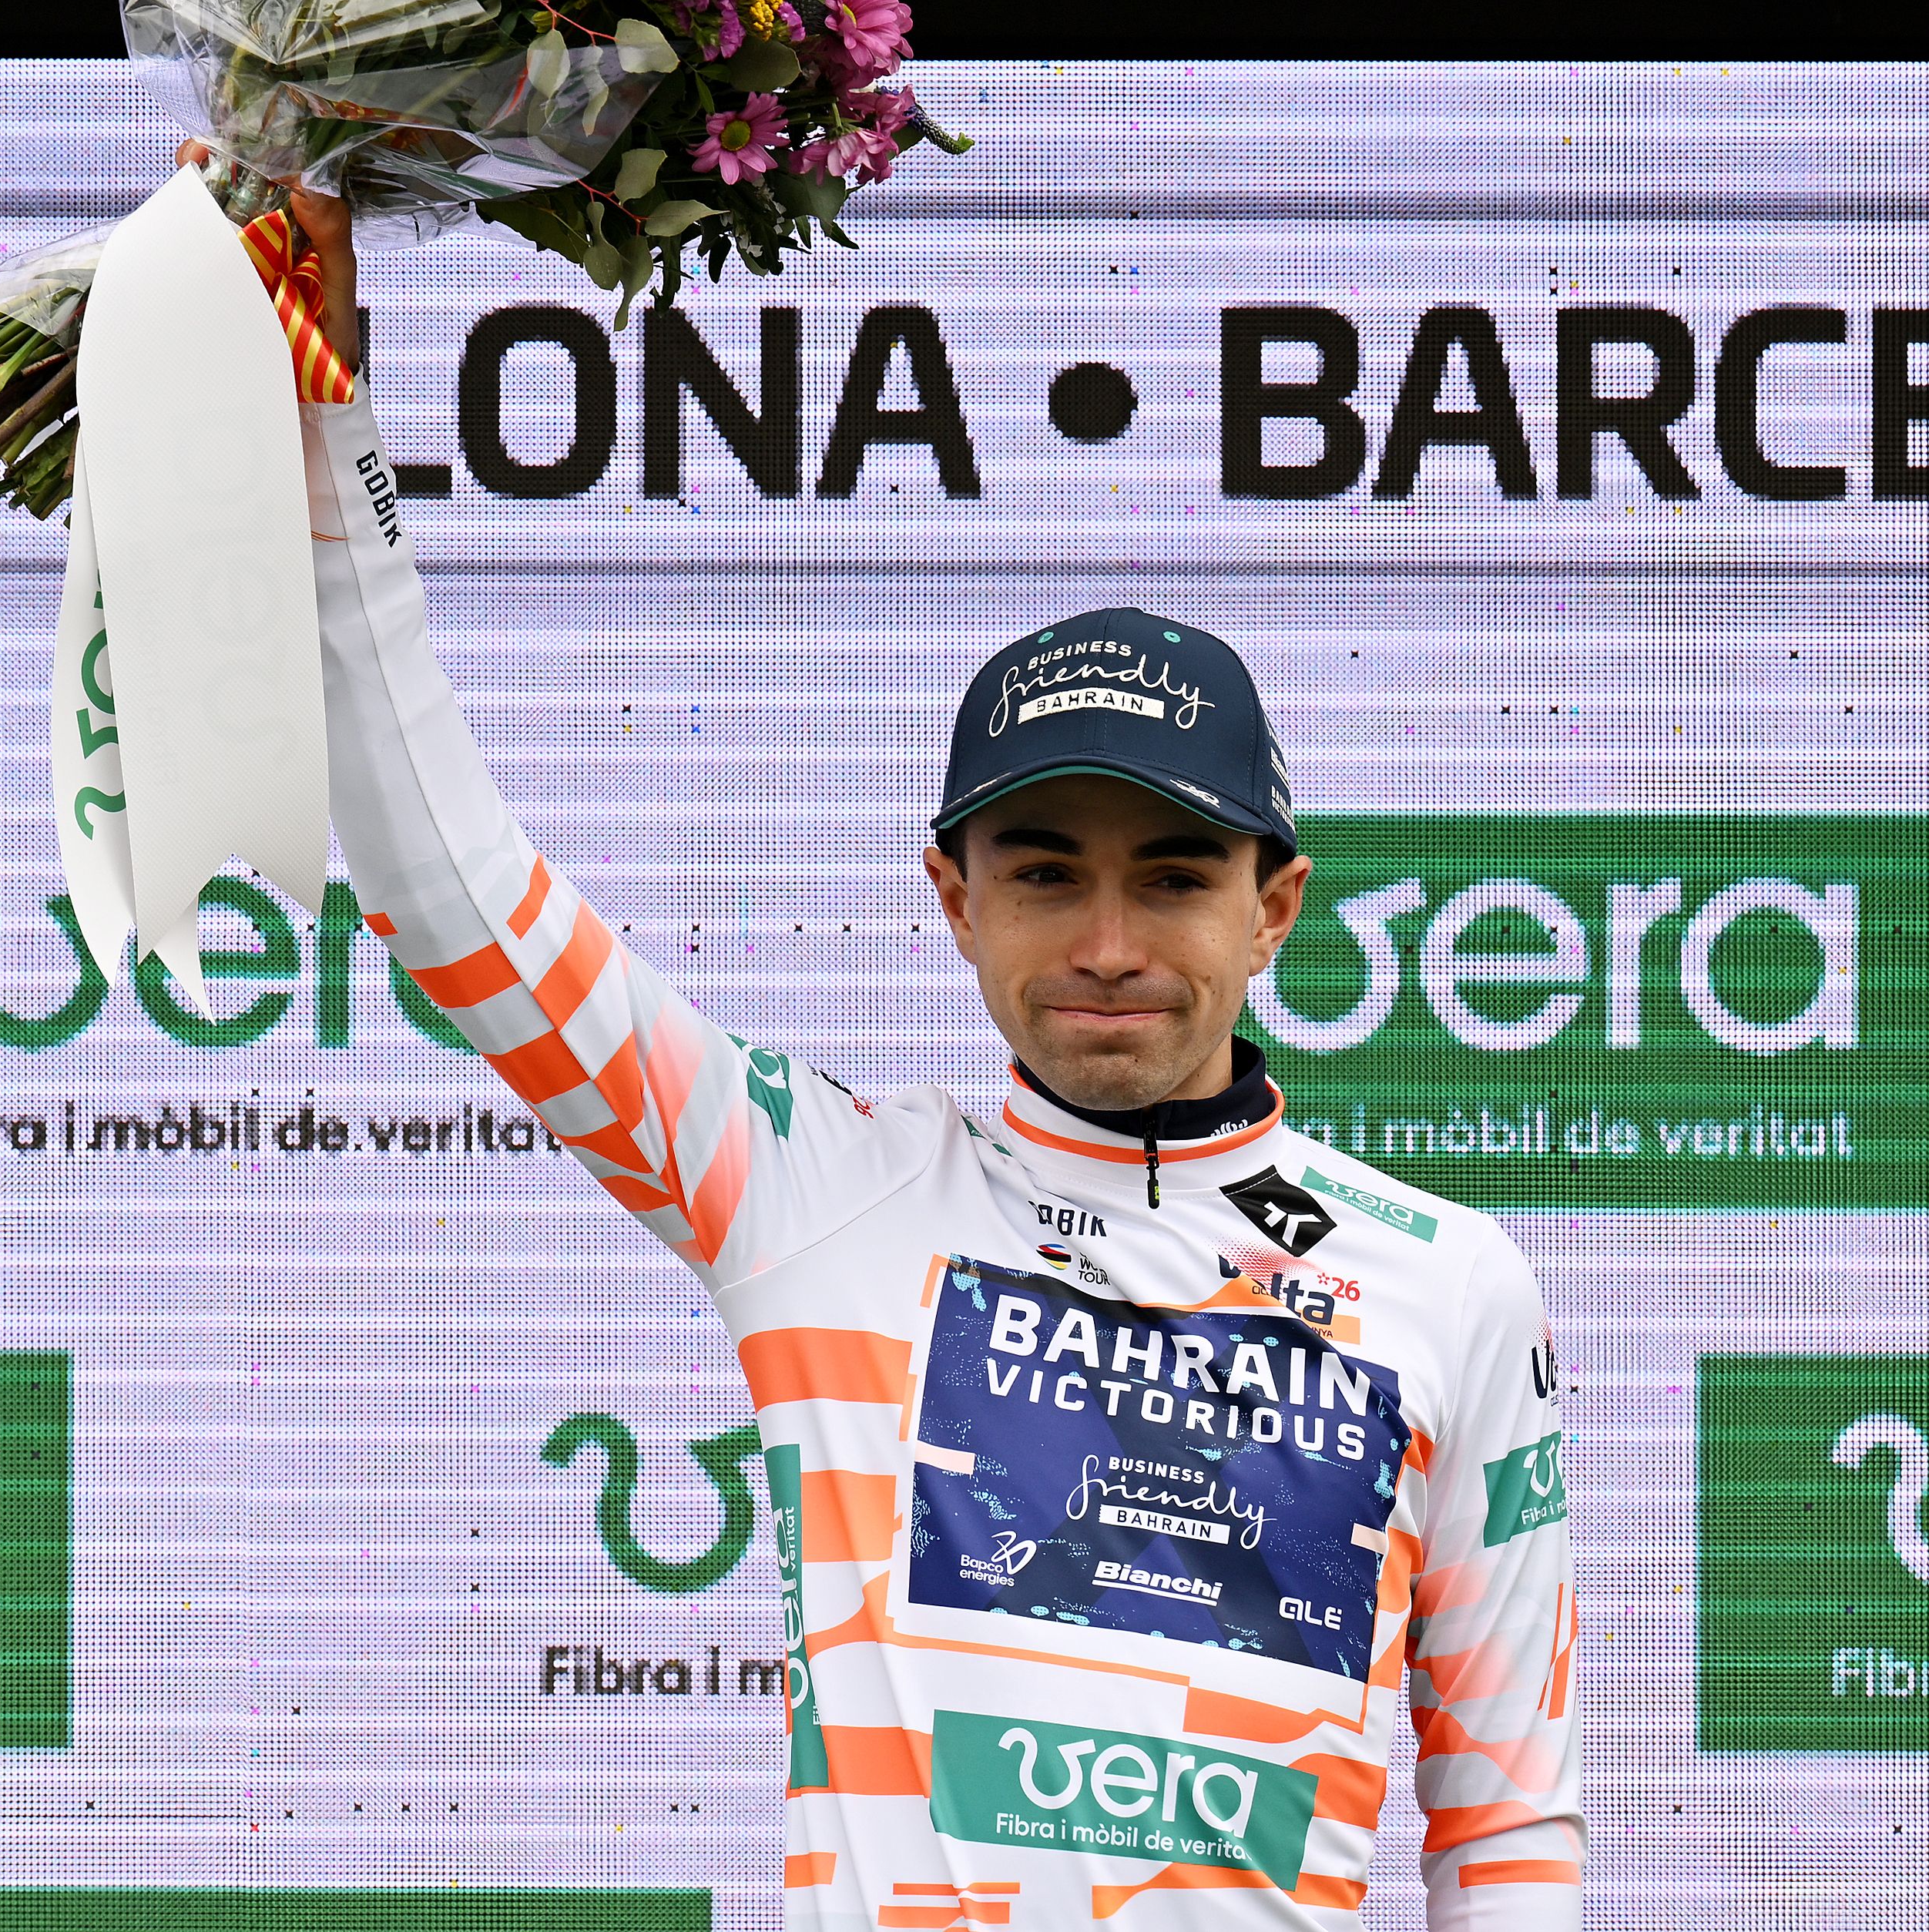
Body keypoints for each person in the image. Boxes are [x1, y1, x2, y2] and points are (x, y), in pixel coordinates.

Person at [259, 164, 1583, 1928]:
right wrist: (327, 462)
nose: (1108, 946)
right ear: (955, 899)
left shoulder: (1453, 1285)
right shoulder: (809, 1187)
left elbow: (1506, 1831)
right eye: (1047, 876)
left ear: (1274, 910)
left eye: (1174, 877)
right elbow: (459, 905)